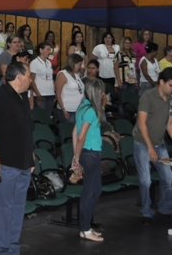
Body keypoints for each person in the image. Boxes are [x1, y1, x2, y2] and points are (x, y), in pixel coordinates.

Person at [132, 67, 172, 224]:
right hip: (142, 143)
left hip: (159, 144)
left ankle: (165, 209)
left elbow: (169, 124)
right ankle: (146, 212)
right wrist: (150, 147)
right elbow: (142, 123)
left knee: (168, 177)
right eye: (171, 85)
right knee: (145, 180)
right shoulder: (147, 97)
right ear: (161, 82)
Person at [0, 62, 34, 255]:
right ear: (19, 77)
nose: (31, 80)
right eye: (29, 76)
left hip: (23, 163)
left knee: (17, 210)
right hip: (5, 164)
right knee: (3, 210)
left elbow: (28, 130)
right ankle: (1, 250)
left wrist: (30, 158)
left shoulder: (23, 97)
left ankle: (13, 249)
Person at [71, 79, 105, 241]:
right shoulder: (90, 110)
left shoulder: (82, 107)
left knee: (95, 190)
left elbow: (74, 133)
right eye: (102, 92)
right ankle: (85, 229)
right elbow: (81, 136)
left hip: (88, 153)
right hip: (90, 154)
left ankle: (86, 227)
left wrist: (76, 156)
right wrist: (76, 157)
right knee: (90, 192)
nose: (103, 94)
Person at [55, 54, 85, 123]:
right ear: (74, 64)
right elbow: (58, 94)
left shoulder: (76, 74)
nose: (80, 67)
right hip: (68, 109)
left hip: (78, 109)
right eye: (80, 64)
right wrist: (63, 109)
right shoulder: (62, 74)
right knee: (70, 128)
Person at [30, 42, 55, 116]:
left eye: (50, 50)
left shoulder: (49, 62)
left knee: (48, 116)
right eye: (47, 50)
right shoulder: (34, 63)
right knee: (41, 116)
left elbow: (51, 78)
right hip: (41, 94)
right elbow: (32, 80)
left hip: (50, 93)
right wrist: (38, 94)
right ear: (41, 50)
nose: (49, 52)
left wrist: (55, 92)